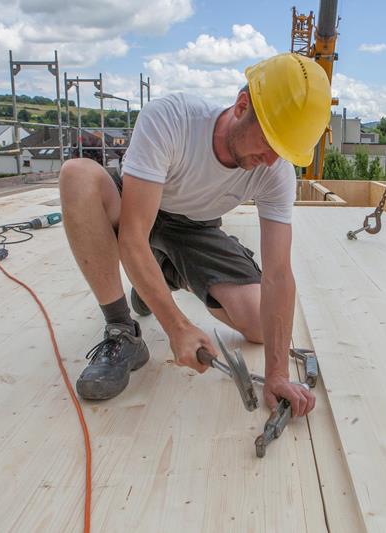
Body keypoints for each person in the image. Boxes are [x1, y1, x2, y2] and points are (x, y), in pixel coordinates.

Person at [58, 53, 331, 417]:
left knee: (257, 325)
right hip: (139, 207)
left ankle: (162, 277)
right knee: (77, 176)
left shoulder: (275, 171)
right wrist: (177, 326)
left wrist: (278, 373)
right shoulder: (173, 119)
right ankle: (122, 329)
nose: (270, 159)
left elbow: (279, 274)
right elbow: (133, 236)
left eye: (284, 151)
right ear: (241, 105)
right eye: (269, 142)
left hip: (196, 228)